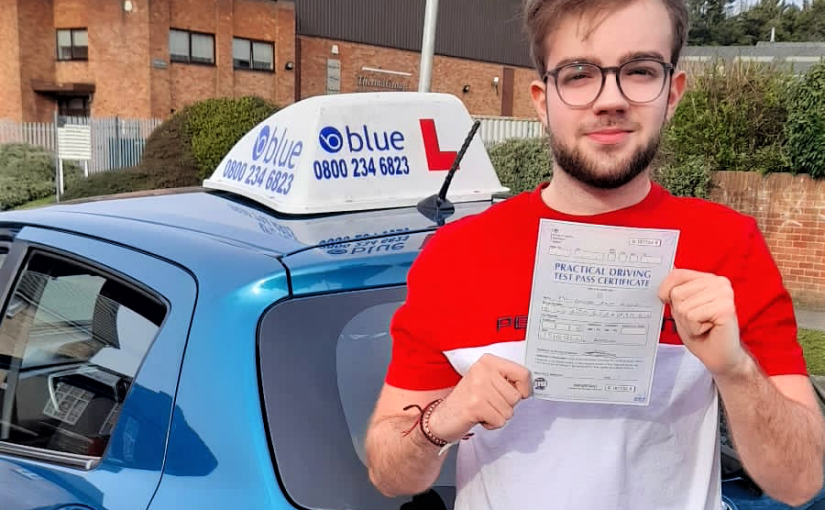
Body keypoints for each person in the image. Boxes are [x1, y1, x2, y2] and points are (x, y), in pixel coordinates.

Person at [363, 0, 825, 508]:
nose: (611, 99)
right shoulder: (455, 255)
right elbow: (389, 474)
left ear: (672, 93)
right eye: (580, 73)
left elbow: (800, 483)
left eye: (640, 70)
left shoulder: (729, 247)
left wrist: (735, 371)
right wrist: (443, 418)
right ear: (542, 99)